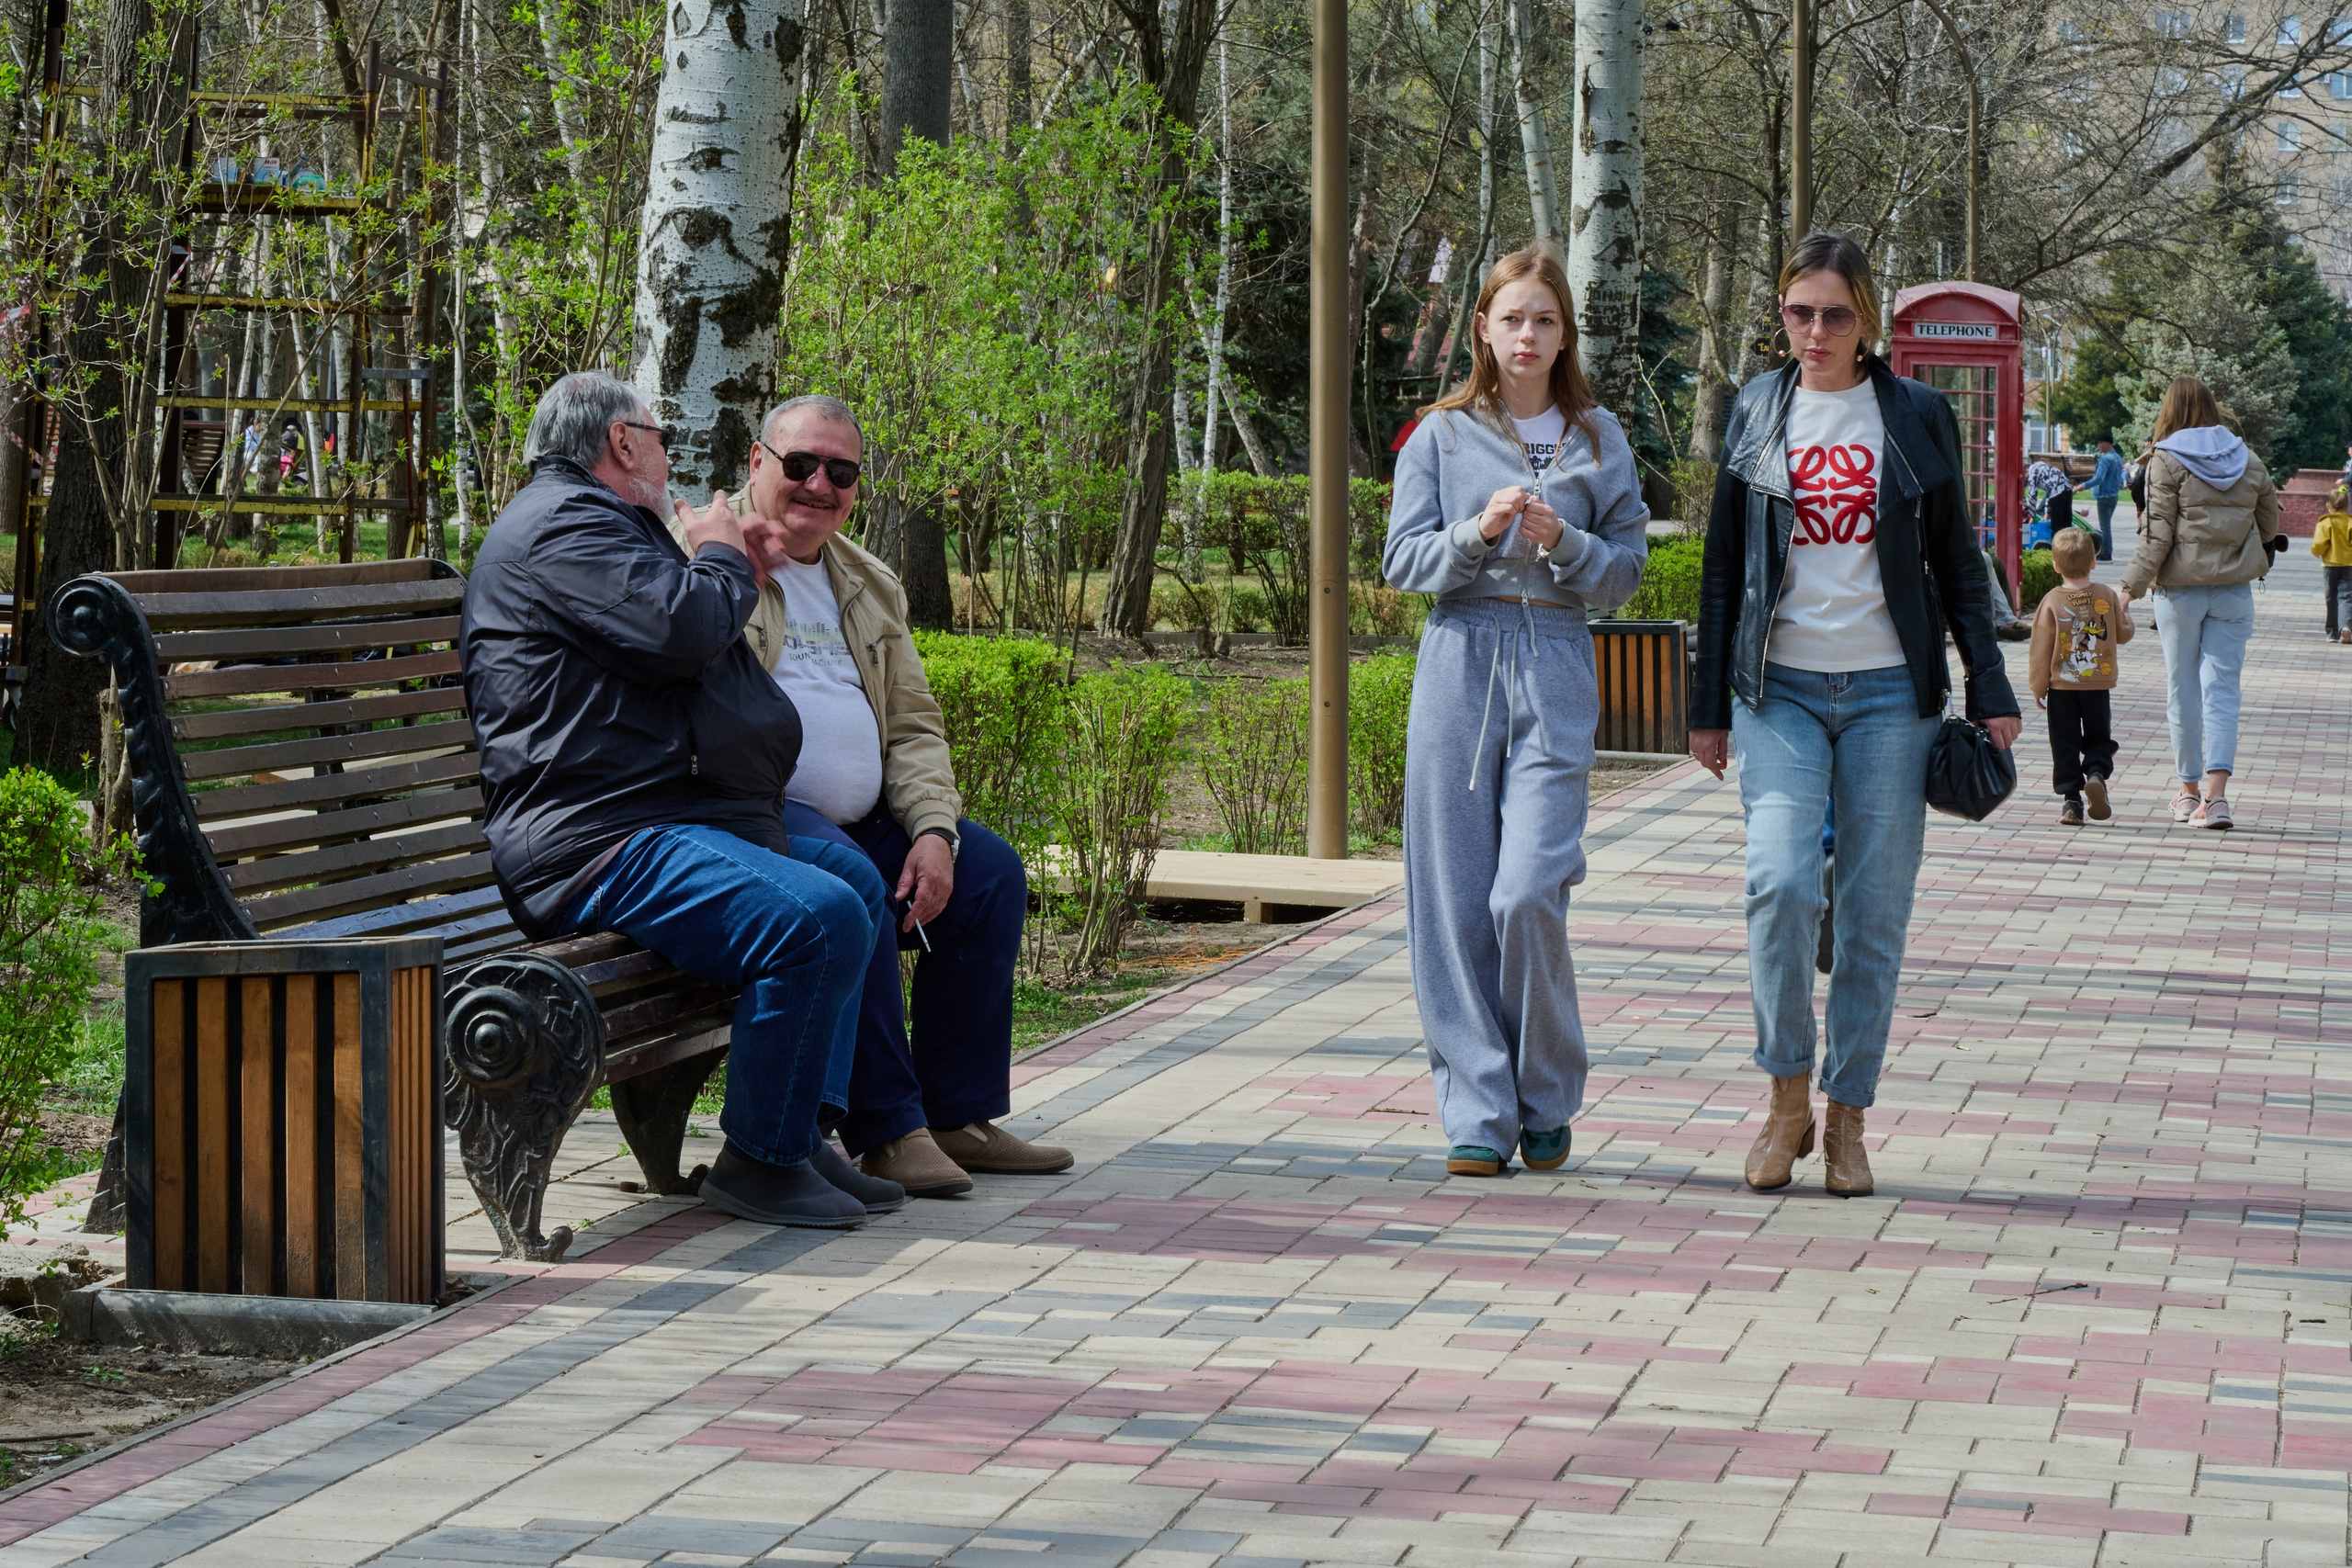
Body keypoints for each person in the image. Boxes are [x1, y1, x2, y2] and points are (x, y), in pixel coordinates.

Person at [461, 371, 901, 1230]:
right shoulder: (563, 527)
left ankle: (798, 1133)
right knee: (814, 919)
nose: (669, 452)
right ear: (622, 443)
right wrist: (726, 556)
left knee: (853, 888)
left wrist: (736, 563)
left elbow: (677, 627)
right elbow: (685, 627)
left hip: (650, 814)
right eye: (658, 434)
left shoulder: (601, 525)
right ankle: (760, 1164)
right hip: (592, 840)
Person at [1690, 231, 2020, 1199]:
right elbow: (1722, 569)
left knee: (1874, 915)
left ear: (1867, 318)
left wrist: (1988, 686)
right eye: (1799, 312)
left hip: (1890, 695)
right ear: (1781, 314)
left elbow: (1959, 561)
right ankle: (1785, 1095)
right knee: (1781, 887)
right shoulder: (1757, 406)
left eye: (1835, 313)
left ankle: (1847, 1118)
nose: (1815, 331)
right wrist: (1705, 705)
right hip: (1778, 691)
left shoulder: (1913, 413)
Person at [692, 395, 1073, 1198]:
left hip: (864, 817)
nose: (819, 484)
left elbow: (912, 725)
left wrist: (934, 829)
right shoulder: (709, 557)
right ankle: (888, 1129)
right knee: (847, 882)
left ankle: (955, 1114)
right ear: (758, 463)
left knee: (990, 873)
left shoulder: (868, 580)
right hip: (757, 817)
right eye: (800, 465)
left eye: (842, 471)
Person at [1381, 244, 1649, 1179]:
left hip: (1557, 663)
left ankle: (1546, 1091)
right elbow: (1402, 561)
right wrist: (1477, 532)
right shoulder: (1442, 437)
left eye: (1543, 319)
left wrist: (1567, 542)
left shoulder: (1599, 437)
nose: (1526, 335)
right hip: (1459, 658)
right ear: (1484, 333)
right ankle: (1478, 1111)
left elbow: (1623, 572)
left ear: (1563, 331)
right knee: (1453, 900)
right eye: (1510, 319)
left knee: (1527, 889)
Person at [2117, 374, 2281, 831]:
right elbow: (2269, 524)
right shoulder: (2247, 459)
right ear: (2212, 408)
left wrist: (2129, 587)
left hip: (2179, 594)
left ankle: (2188, 795)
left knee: (2182, 690)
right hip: (2233, 591)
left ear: (2169, 411)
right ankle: (2219, 799)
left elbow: (2157, 535)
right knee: (2222, 691)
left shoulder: (2164, 461)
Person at [2030, 525, 2133, 826]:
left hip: (2062, 687)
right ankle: (2097, 773)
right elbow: (2122, 634)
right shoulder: (2105, 594)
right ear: (2093, 561)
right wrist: (2126, 620)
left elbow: (2040, 647)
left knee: (2064, 741)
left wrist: (2038, 686)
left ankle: (2071, 802)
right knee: (2099, 736)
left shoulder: (2051, 600)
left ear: (2056, 565)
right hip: (2098, 684)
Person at [2311, 485, 2352, 644]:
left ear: (2328, 506)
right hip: (2349, 564)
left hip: (2329, 565)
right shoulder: (2350, 523)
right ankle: (2346, 627)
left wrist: (2316, 551)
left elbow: (2319, 544)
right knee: (2346, 596)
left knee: (2331, 597)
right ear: (2347, 506)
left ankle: (2332, 632)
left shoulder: (2324, 523)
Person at [2088, 435, 2125, 561]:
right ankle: (2106, 551)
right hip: (2113, 496)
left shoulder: (2106, 459)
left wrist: (2082, 486)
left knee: (2105, 527)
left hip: (2104, 496)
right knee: (2106, 526)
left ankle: (2106, 553)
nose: (2098, 445)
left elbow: (2098, 478)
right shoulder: (2118, 458)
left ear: (2108, 444)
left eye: (2100, 442)